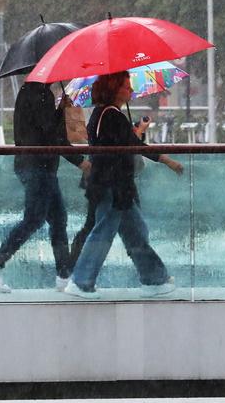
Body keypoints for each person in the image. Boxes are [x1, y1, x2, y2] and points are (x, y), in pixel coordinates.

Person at [64, 71, 183, 297]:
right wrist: (166, 160)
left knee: (135, 233)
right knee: (103, 233)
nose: (131, 90)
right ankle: (80, 282)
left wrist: (132, 133)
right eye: (126, 86)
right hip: (113, 186)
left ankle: (154, 280)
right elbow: (131, 146)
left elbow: (126, 143)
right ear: (114, 89)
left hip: (114, 186)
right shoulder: (110, 115)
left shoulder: (103, 114)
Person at [0, 80, 89, 292]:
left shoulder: (33, 92)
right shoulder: (40, 94)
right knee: (35, 218)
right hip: (38, 166)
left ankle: (64, 275)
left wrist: (59, 110)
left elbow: (45, 131)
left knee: (58, 219)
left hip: (37, 166)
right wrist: (81, 162)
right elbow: (52, 137)